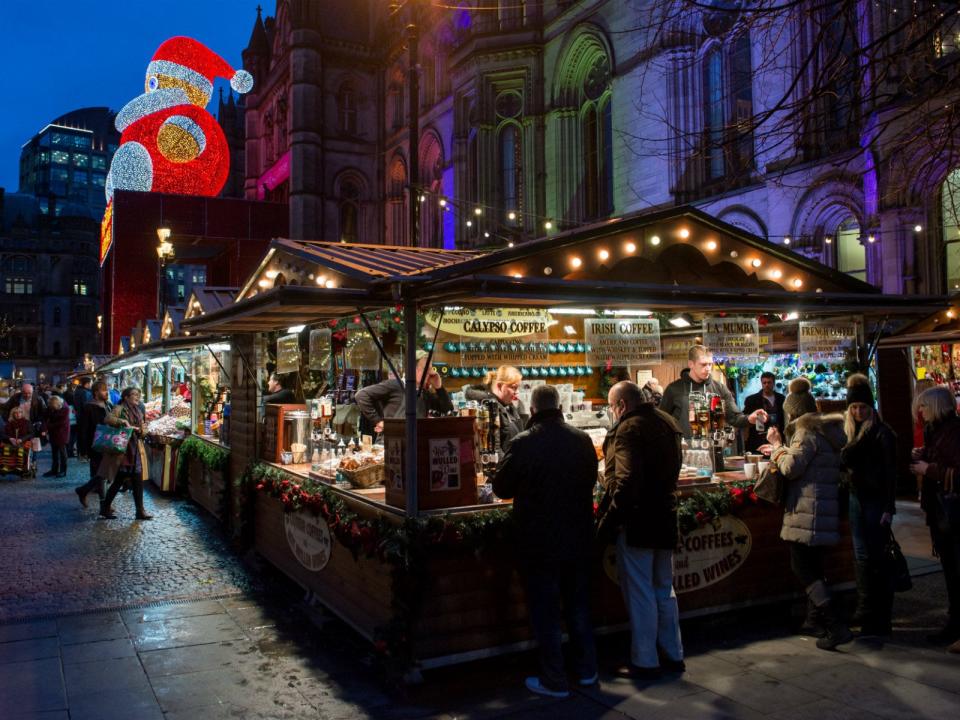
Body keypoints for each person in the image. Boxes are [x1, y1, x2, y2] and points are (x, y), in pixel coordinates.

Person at [492, 384, 598, 697]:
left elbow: (501, 488)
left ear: (533, 409)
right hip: (579, 537)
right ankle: (587, 671)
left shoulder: (523, 442)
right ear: (560, 407)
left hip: (539, 540)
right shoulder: (582, 440)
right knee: (579, 607)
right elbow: (592, 480)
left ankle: (555, 679)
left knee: (546, 610)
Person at [596, 380, 685, 677]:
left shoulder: (628, 429)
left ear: (621, 405)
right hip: (665, 514)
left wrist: (608, 522)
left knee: (640, 592)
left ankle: (645, 660)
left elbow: (626, 482)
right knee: (664, 588)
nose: (612, 412)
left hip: (638, 520)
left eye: (611, 407)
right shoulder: (667, 421)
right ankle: (673, 653)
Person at [767, 384, 851, 650]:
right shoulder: (827, 431)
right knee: (814, 567)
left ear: (793, 413)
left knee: (802, 567)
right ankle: (815, 619)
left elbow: (791, 469)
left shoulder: (804, 433)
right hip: (822, 507)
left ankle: (835, 623)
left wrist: (778, 448)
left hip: (808, 509)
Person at [840, 373, 898, 637]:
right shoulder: (850, 433)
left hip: (875, 500)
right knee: (862, 555)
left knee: (878, 557)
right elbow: (845, 461)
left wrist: (889, 507)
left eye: (863, 406)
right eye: (854, 407)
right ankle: (866, 611)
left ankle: (881, 616)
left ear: (871, 407)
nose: (859, 411)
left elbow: (890, 472)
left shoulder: (882, 434)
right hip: (857, 498)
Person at [910, 385, 960, 651]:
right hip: (941, 512)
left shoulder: (954, 431)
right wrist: (923, 456)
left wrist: (929, 468)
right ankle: (954, 624)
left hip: (952, 512)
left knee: (956, 570)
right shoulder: (935, 431)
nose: (921, 411)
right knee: (951, 571)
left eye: (925, 406)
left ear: (937, 407)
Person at [660, 345, 766, 439]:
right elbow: (661, 421)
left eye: (710, 364)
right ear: (691, 364)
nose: (708, 368)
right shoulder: (674, 389)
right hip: (683, 450)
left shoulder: (720, 388)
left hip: (714, 450)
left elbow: (734, 418)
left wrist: (750, 419)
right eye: (703, 364)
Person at [355, 355, 453, 432]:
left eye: (431, 369)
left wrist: (439, 387)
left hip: (414, 444)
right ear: (413, 369)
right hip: (390, 445)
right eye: (426, 369)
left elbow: (447, 409)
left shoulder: (424, 393)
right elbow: (361, 395)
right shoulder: (395, 385)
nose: (431, 372)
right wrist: (378, 421)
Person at [98, 387, 153, 521]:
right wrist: (122, 422)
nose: (137, 396)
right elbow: (108, 419)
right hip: (123, 449)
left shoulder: (139, 410)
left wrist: (141, 431)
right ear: (126, 397)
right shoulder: (119, 408)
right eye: (134, 394)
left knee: (137, 479)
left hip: (135, 449)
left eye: (138, 394)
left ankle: (139, 511)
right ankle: (106, 508)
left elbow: (143, 429)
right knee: (120, 480)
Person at [464, 365, 529, 450]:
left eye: (517, 388)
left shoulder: (508, 406)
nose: (517, 392)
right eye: (513, 387)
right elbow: (495, 449)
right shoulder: (488, 408)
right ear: (499, 386)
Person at [75, 381, 113, 507]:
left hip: (108, 444)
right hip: (96, 444)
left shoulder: (108, 405)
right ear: (96, 392)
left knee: (103, 475)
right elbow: (83, 429)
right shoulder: (89, 407)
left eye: (107, 389)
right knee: (101, 474)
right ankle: (104, 506)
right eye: (103, 390)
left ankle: (83, 490)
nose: (107, 392)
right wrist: (84, 449)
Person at [743, 371, 786, 451]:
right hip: (758, 439)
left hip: (778, 437)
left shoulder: (781, 398)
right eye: (764, 383)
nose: (766, 385)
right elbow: (746, 419)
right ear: (761, 383)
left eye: (769, 382)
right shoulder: (752, 400)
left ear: (774, 383)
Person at [43, 395, 70, 478]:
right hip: (53, 432)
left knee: (62, 453)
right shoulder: (51, 406)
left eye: (54, 408)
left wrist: (48, 425)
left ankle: (63, 471)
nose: (52, 409)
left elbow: (61, 423)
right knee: (54, 452)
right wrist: (45, 427)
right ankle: (54, 470)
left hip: (62, 433)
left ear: (58, 405)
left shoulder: (65, 409)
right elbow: (45, 416)